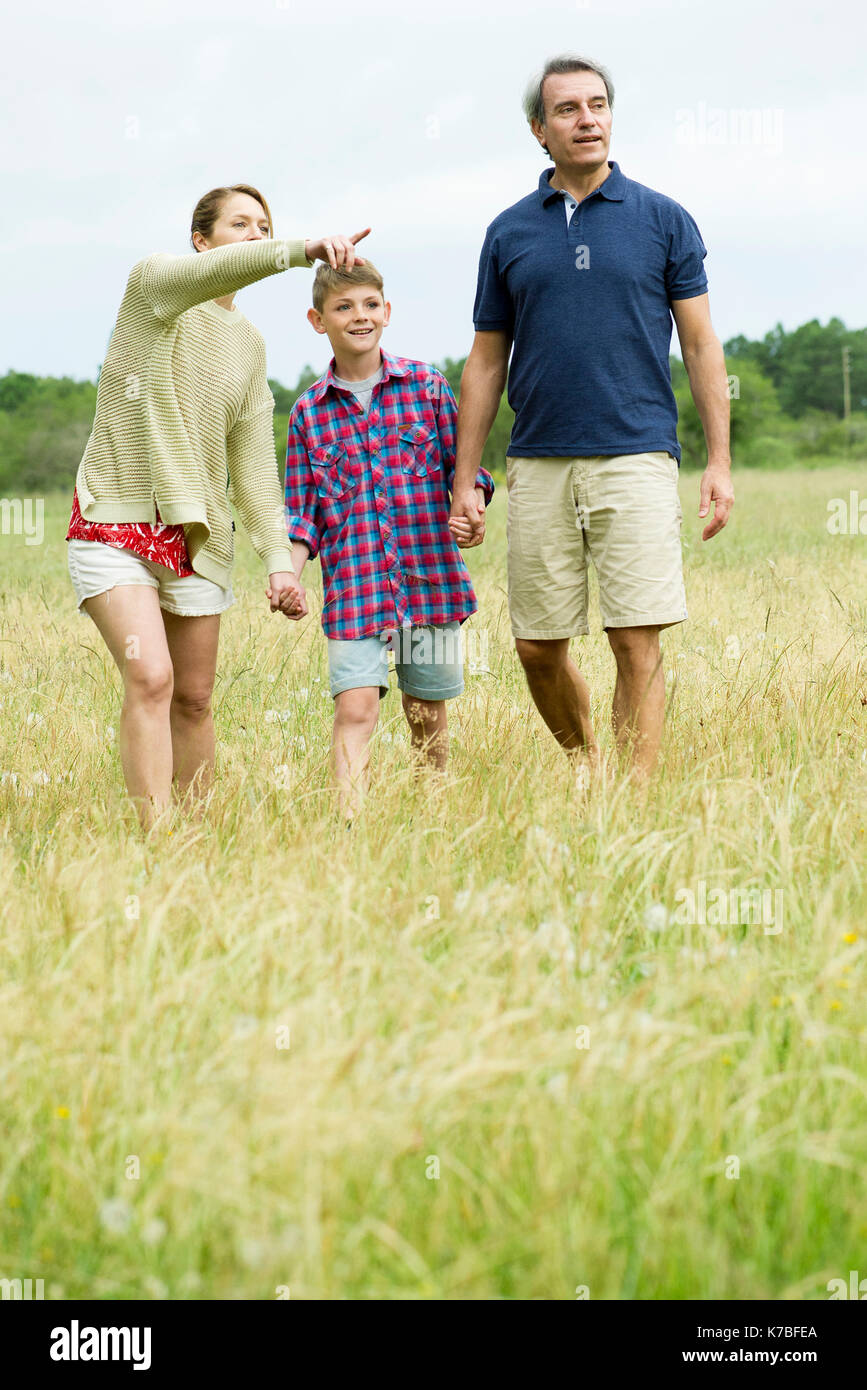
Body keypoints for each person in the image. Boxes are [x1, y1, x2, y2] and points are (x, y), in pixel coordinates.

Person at [449, 54, 734, 779]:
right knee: (535, 647)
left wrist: (719, 462)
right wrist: (465, 477)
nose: (587, 120)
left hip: (637, 454)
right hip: (538, 460)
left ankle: (632, 795)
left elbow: (700, 345)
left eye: (597, 105)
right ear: (538, 129)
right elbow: (484, 362)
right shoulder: (508, 231)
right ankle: (588, 765)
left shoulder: (663, 219)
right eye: (569, 109)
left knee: (634, 639)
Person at [66, 181, 369, 830]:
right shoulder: (153, 290)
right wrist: (300, 248)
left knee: (195, 698)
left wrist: (278, 562)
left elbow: (254, 463)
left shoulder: (249, 344)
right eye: (240, 225)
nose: (255, 236)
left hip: (196, 538)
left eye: (264, 226)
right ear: (201, 240)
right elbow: (225, 269)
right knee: (151, 680)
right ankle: (159, 839)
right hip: (116, 524)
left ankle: (200, 843)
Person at [281, 260, 495, 819]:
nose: (359, 317)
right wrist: (289, 574)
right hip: (356, 591)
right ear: (317, 319)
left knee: (427, 714)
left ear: (388, 312)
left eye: (370, 305)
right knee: (355, 709)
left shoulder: (425, 387)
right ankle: (350, 825)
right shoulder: (309, 412)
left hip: (429, 584)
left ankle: (434, 813)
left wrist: (471, 507)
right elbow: (302, 516)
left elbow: (465, 473)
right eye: (344, 307)